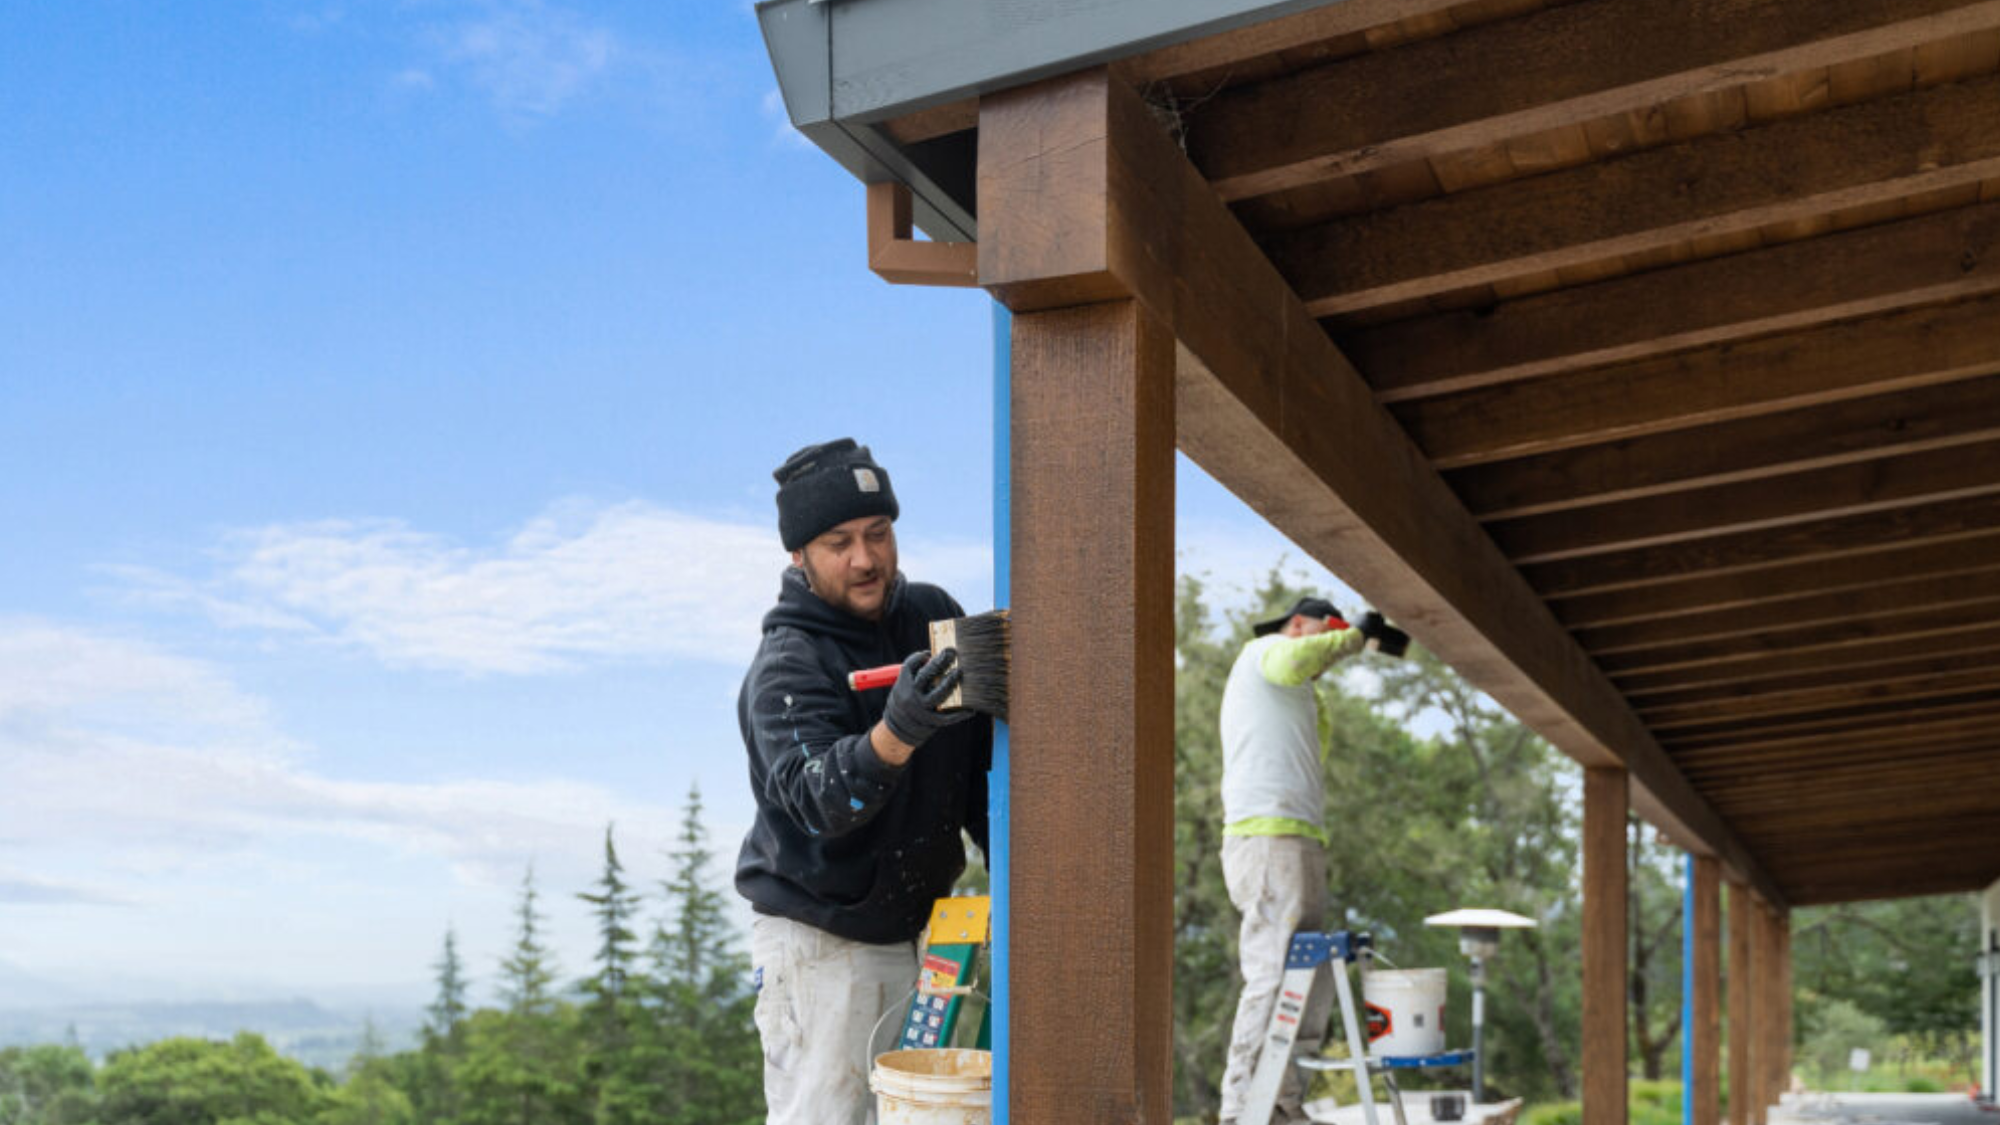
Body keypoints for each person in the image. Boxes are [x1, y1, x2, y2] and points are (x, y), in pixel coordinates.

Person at [735, 438, 992, 1125]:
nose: (865, 558)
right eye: (839, 542)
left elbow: (980, 769)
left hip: (920, 935)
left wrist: (1020, 874)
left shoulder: (934, 618)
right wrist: (898, 729)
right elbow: (820, 801)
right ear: (799, 554)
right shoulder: (786, 666)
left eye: (878, 533)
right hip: (820, 946)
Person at [1216, 595, 1381, 1125]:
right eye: (1323, 636)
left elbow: (1315, 749)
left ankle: (1282, 1104)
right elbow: (1295, 659)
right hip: (1267, 839)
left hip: (1296, 838)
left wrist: (1333, 661)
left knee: (1302, 978)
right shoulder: (1266, 651)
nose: (1327, 652)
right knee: (1271, 973)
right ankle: (1242, 1107)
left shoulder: (1297, 691)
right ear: (1300, 625)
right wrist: (1354, 637)